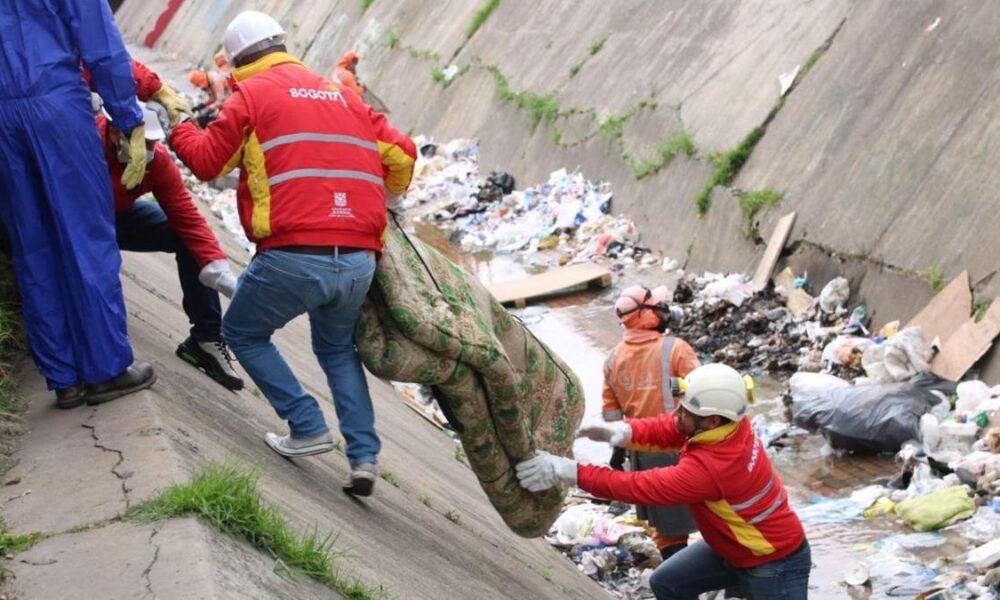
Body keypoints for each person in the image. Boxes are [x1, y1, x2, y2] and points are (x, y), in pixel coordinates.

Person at [168, 11, 416, 496]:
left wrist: (178, 127)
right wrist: (387, 198)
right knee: (337, 349)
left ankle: (306, 426)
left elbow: (204, 162)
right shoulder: (343, 94)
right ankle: (364, 458)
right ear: (282, 44)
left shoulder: (250, 97)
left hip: (293, 253)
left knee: (241, 330)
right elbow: (403, 153)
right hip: (361, 258)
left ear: (237, 60)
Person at [516, 364, 811, 600]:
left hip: (773, 562)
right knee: (668, 584)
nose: (677, 414)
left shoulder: (711, 468)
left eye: (685, 411)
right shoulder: (731, 424)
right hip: (732, 547)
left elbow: (634, 486)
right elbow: (670, 428)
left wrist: (569, 470)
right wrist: (622, 431)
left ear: (710, 421)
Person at [0, 0, 155, 408]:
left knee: (31, 245)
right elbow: (101, 44)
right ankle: (106, 370)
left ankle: (64, 377)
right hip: (55, 104)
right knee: (84, 235)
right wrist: (126, 115)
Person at [99, 103, 243, 391]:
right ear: (115, 132)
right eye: (143, 141)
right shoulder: (83, 141)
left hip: (117, 216)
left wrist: (221, 272)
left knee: (186, 237)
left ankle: (206, 338)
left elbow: (187, 216)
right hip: (68, 221)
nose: (149, 149)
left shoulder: (156, 162)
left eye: (153, 142)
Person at [603, 285, 700, 561]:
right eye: (659, 306)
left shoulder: (612, 360)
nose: (664, 310)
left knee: (668, 529)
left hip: (644, 455)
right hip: (685, 447)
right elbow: (706, 395)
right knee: (718, 515)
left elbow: (611, 415)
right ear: (646, 314)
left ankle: (681, 586)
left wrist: (618, 453)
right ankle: (735, 585)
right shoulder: (675, 349)